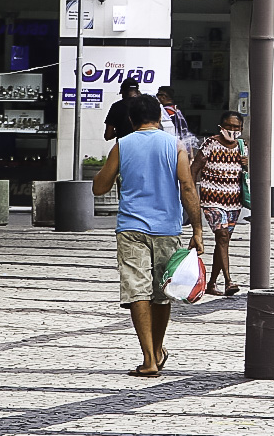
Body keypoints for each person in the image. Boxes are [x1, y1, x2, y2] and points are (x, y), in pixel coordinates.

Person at [91, 94, 203, 378]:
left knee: (137, 291)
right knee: (162, 292)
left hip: (131, 229)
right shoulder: (174, 145)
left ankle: (149, 359)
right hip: (168, 228)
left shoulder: (122, 145)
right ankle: (158, 348)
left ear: (130, 119)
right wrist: (198, 230)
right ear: (160, 118)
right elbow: (188, 188)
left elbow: (99, 188)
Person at [193, 109, 248, 296]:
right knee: (223, 237)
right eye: (229, 126)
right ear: (221, 126)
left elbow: (249, 174)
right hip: (212, 200)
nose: (232, 130)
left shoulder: (242, 146)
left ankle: (211, 283)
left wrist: (247, 163)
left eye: (236, 127)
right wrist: (190, 195)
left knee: (222, 241)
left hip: (234, 201)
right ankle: (228, 281)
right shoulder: (211, 144)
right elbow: (194, 170)